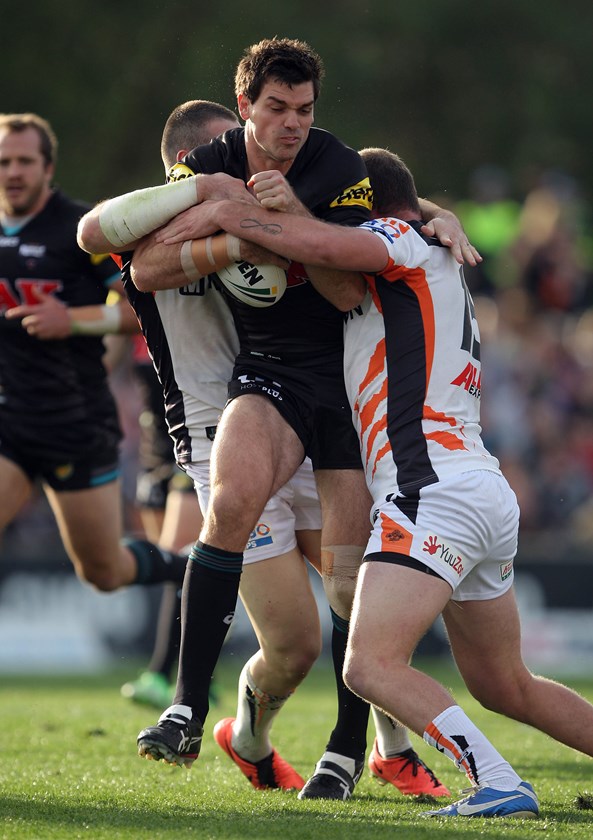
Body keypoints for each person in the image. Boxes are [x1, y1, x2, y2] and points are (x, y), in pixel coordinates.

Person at [77, 39, 471, 799]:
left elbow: (357, 262)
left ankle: (355, 749)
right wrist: (224, 216)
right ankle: (197, 708)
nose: (289, 127)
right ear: (241, 117)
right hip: (231, 402)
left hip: (332, 399)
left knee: (354, 593)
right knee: (287, 641)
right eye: (274, 110)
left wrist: (424, 211)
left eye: (303, 111)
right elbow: (120, 255)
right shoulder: (191, 189)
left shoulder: (328, 167)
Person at [173, 147, 593, 819]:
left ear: (365, 210)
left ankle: (497, 782)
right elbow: (338, 262)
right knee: (505, 684)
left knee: (368, 666)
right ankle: (483, 771)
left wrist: (239, 212)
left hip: (431, 492)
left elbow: (320, 240)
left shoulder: (399, 240)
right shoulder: (429, 248)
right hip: (475, 487)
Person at [0, 113, 189, 594]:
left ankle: (195, 569)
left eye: (25, 161)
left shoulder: (83, 232)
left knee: (104, 572)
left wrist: (75, 320)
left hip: (74, 420)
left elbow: (144, 308)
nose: (13, 172)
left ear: (48, 168)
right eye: (4, 162)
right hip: (10, 420)